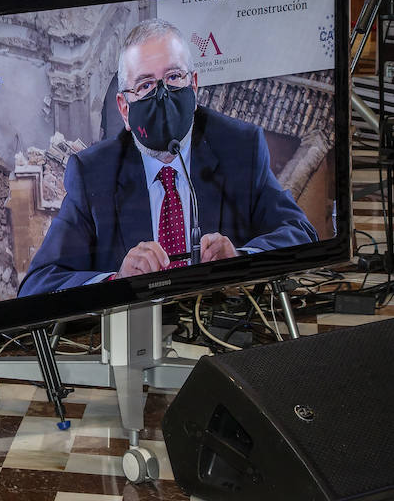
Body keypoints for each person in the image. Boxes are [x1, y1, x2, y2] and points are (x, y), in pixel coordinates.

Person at [18, 18, 318, 297]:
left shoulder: (240, 147)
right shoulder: (94, 173)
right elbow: (38, 285)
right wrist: (116, 281)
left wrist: (240, 259)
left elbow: (301, 234)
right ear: (124, 108)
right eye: (146, 85)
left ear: (194, 86)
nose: (162, 96)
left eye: (173, 78)